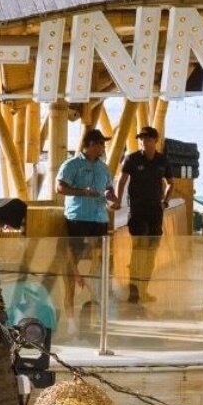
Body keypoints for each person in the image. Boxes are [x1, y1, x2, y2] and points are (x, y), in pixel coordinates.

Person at [55, 127, 113, 318]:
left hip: (100, 219)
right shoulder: (71, 164)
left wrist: (114, 198)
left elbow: (109, 189)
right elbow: (60, 187)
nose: (103, 148)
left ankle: (98, 305)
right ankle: (69, 310)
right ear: (90, 144)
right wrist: (82, 192)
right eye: (100, 144)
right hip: (78, 218)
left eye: (103, 144)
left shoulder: (104, 167)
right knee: (73, 263)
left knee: (103, 262)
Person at [115, 125, 172, 303]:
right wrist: (118, 200)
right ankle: (134, 291)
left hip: (155, 211)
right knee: (138, 250)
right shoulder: (131, 158)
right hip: (138, 210)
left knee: (151, 251)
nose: (143, 141)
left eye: (147, 138)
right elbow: (122, 181)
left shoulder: (162, 161)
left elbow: (171, 183)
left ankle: (143, 290)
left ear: (155, 140)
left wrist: (165, 201)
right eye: (140, 138)